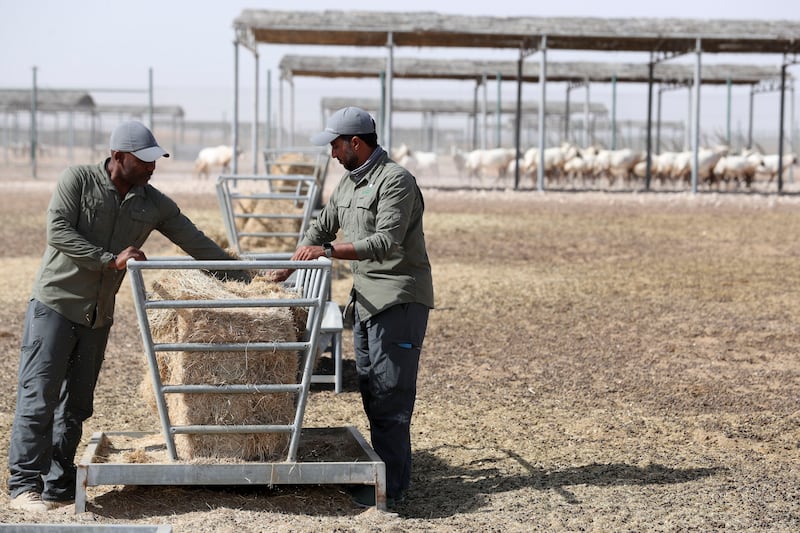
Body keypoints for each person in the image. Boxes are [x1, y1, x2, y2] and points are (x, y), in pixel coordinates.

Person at [7, 120, 248, 513]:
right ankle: (23, 486)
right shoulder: (78, 180)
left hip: (97, 316)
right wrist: (110, 260)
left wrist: (252, 277)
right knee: (39, 396)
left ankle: (59, 486)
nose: (153, 167)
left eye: (155, 160)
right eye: (144, 160)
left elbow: (198, 243)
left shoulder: (152, 202)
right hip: (55, 305)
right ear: (118, 157)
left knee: (77, 404)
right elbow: (58, 232)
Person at [272, 106, 434, 508]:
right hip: (365, 302)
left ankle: (392, 488)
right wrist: (291, 264)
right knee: (373, 389)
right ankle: (385, 475)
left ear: (355, 143)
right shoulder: (348, 183)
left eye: (335, 145)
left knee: (391, 395)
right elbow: (320, 226)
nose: (332, 154)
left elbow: (386, 243)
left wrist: (324, 251)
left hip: (397, 299)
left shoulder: (395, 181)